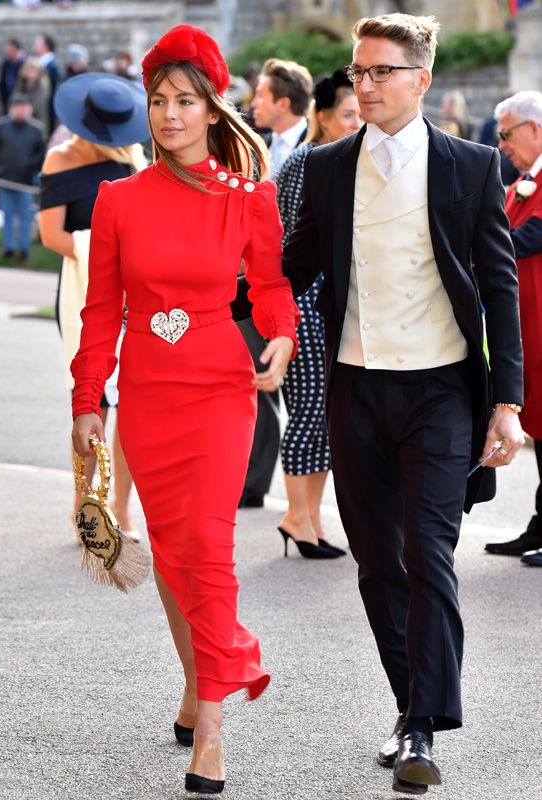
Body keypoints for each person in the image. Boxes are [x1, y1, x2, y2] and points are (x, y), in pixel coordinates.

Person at [232, 12, 525, 794]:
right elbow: (287, 269)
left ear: (421, 80)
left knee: (428, 555)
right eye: (358, 72)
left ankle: (424, 725)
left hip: (441, 390)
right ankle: (408, 709)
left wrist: (508, 403)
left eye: (381, 72)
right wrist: (220, 290)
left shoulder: (471, 165)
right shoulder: (326, 169)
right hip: (356, 387)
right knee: (376, 565)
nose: (364, 86)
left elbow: (499, 287)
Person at [70, 24, 299, 795]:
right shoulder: (117, 199)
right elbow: (101, 312)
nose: (169, 115)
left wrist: (282, 335)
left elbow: (269, 288)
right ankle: (201, 682)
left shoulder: (248, 197)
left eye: (185, 101)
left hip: (218, 392)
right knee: (173, 560)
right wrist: (86, 400)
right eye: (159, 101)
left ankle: (212, 731)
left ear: (211, 108)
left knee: (207, 550)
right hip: (147, 394)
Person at [39, 73, 149, 541]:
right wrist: (101, 255)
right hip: (82, 291)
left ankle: (121, 510)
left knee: (129, 402)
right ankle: (87, 507)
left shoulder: (134, 160)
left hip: (134, 293)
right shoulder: (59, 159)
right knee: (90, 400)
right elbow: (51, 236)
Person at [275, 69, 362, 558]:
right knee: (308, 412)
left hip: (335, 306)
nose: (356, 121)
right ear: (323, 117)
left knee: (329, 416)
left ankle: (311, 516)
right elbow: (292, 248)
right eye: (347, 114)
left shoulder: (346, 161)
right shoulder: (305, 162)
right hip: (304, 306)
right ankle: (295, 516)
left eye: (358, 114)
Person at [237, 57, 313, 509]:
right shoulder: (251, 147)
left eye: (261, 95)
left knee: (305, 395)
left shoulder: (318, 147)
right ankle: (254, 480)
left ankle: (306, 503)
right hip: (255, 284)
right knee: (257, 377)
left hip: (304, 287)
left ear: (283, 102)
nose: (254, 103)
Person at [484, 91, 542, 565]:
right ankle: (540, 524)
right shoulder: (524, 180)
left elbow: (527, 236)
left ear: (534, 129)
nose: (500, 143)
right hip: (528, 326)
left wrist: (480, 240)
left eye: (505, 133)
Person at [0, 94, 46, 260]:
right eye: (18, 107)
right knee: (7, 214)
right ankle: (8, 247)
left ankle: (24, 248)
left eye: (24, 107)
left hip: (25, 181)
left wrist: (31, 169)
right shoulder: (2, 127)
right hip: (4, 178)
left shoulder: (36, 130)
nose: (21, 111)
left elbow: (41, 155)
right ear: (12, 109)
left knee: (25, 215)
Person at [14, 57, 51, 130]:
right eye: (29, 71)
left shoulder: (43, 84)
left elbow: (39, 103)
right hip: (20, 119)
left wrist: (25, 109)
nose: (31, 74)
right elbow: (14, 99)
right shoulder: (20, 84)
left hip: (38, 119)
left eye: (33, 71)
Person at [33, 33, 61, 132]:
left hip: (47, 107)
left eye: (38, 43)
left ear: (46, 46)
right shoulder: (41, 63)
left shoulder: (52, 66)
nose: (35, 45)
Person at [0, 38, 26, 115]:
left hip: (20, 99)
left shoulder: (25, 62)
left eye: (10, 49)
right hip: (6, 98)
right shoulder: (6, 63)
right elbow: (2, 82)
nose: (7, 52)